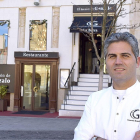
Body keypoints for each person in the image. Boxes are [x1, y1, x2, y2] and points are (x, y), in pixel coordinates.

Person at [73, 32, 140, 140]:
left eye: (125, 56)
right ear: (106, 62)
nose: (118, 62)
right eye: (112, 56)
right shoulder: (94, 100)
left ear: (137, 62)